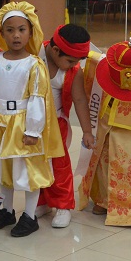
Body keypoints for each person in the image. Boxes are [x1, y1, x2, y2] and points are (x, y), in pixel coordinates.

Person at [0, 2, 64, 237]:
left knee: (27, 170)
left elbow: (37, 97)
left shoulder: (34, 64)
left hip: (22, 123)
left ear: (31, 32)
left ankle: (29, 215)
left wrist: (33, 130)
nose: (16, 35)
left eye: (21, 29)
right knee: (4, 167)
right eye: (10, 30)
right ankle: (7, 210)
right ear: (1, 32)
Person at [77, 35, 131, 228]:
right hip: (105, 134)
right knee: (102, 169)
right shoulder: (105, 79)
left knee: (129, 172)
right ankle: (102, 201)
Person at [35, 24, 94, 228]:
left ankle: (63, 205)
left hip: (56, 122)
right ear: (54, 50)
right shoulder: (34, 53)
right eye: (69, 61)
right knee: (35, 162)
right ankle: (42, 200)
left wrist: (87, 131)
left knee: (59, 165)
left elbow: (79, 100)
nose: (71, 65)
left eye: (75, 62)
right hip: (29, 123)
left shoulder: (73, 71)